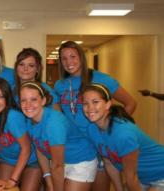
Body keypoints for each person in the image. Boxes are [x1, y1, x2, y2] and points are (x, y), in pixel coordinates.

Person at [54, 41, 137, 191]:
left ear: (81, 57)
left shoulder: (102, 79)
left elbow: (130, 103)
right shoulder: (60, 85)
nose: (68, 62)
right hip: (74, 149)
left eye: (73, 56)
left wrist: (111, 130)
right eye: (64, 58)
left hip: (98, 147)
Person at [82, 83, 164, 191]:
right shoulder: (92, 129)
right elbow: (109, 162)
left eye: (95, 102)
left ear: (108, 104)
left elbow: (131, 178)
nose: (90, 108)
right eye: (85, 103)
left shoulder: (123, 134)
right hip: (142, 178)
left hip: (160, 174)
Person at [0, 77, 42, 191]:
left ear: (7, 98)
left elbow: (26, 149)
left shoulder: (12, 116)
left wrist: (12, 181)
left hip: (31, 160)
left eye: (1, 96)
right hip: (8, 160)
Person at [19, 82, 67, 191]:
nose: (28, 105)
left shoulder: (54, 122)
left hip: (77, 162)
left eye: (33, 99)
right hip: (57, 163)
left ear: (43, 101)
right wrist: (49, 182)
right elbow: (40, 149)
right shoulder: (29, 119)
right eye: (23, 100)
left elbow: (58, 165)